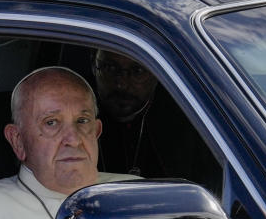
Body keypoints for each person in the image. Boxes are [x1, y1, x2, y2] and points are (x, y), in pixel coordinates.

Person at [0, 66, 137, 219]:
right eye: (52, 123)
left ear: (96, 132)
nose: (74, 139)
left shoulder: (135, 194)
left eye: (82, 120)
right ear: (18, 141)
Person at [91, 49, 221, 191]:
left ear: (157, 73)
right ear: (93, 66)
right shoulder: (77, 118)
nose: (121, 83)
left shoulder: (194, 122)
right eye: (110, 68)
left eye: (138, 70)